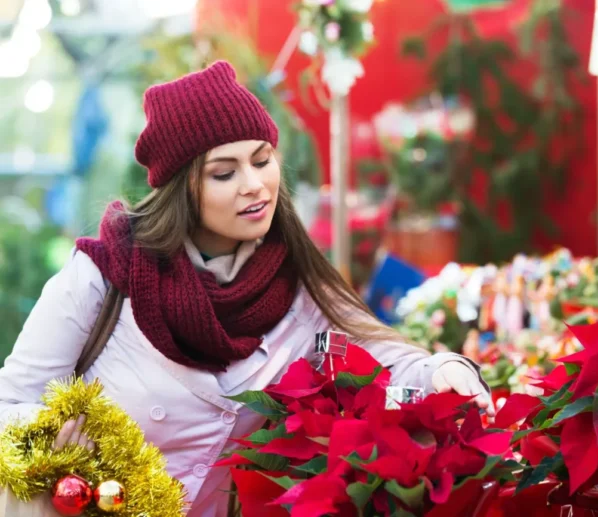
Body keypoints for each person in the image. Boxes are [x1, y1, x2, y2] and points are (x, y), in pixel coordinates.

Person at [0, 61, 492, 516]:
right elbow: (10, 403)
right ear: (181, 189)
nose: (255, 185)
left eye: (262, 160)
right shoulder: (104, 274)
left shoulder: (296, 284)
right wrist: (54, 441)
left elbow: (384, 356)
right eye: (224, 173)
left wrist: (445, 368)